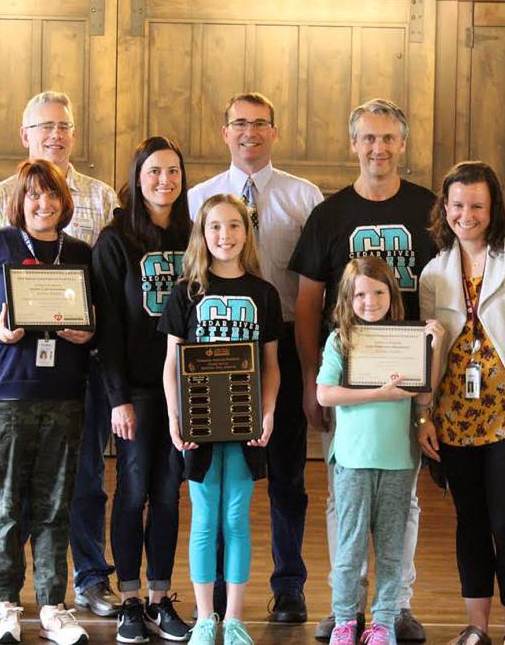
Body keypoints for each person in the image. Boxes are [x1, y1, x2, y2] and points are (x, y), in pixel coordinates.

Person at [289, 98, 435, 641]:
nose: (378, 148)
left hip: (410, 385)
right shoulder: (329, 215)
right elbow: (308, 302)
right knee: (345, 505)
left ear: (403, 144)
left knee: (404, 508)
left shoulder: (429, 208)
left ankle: (394, 609)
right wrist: (311, 379)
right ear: (354, 144)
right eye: (368, 138)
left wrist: (427, 394)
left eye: (388, 138)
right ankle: (344, 609)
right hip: (348, 386)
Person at [0, 91, 120, 620]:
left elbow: (111, 289)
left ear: (74, 133)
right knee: (8, 489)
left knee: (81, 481)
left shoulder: (104, 200)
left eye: (63, 125)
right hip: (12, 373)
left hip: (78, 372)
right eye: (44, 126)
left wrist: (94, 331)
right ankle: (1, 585)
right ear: (25, 135)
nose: (55, 134)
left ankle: (88, 580)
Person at [188, 92, 323, 622]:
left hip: (283, 342)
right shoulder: (200, 196)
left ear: (275, 130)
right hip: (216, 351)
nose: (250, 132)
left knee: (287, 474)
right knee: (220, 481)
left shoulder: (303, 196)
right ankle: (219, 590)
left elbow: (318, 283)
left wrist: (311, 369)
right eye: (239, 124)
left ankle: (289, 584)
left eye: (260, 124)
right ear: (224, 132)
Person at [0, 159, 95, 645]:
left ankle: (54, 605)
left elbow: (101, 320)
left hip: (64, 396)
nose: (44, 204)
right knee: (7, 504)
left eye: (52, 195)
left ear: (64, 201)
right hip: (3, 395)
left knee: (56, 505)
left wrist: (88, 332)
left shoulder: (80, 253)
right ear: (20, 201)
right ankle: (4, 601)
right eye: (34, 195)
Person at [417, 161, 505, 645]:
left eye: (477, 204)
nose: (466, 214)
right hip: (455, 414)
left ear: (494, 207)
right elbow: (429, 351)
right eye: (457, 205)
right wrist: (425, 413)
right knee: (470, 523)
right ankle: (476, 627)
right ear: (445, 208)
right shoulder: (434, 272)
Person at [160, 194, 282, 645]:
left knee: (238, 518)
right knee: (204, 518)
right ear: (202, 234)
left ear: (246, 233)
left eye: (234, 226)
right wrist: (175, 418)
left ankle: (233, 619)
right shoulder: (186, 292)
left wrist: (268, 411)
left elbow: (271, 364)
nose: (224, 235)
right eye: (215, 227)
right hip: (200, 426)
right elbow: (172, 363)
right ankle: (205, 619)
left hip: (246, 424)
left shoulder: (263, 294)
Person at [91, 137, 192, 643]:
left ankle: (160, 598)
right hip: (135, 391)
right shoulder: (114, 241)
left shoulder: (195, 235)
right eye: (154, 172)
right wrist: (117, 398)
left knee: (170, 496)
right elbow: (106, 327)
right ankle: (129, 599)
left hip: (182, 393)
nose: (164, 181)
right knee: (132, 492)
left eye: (173, 172)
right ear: (137, 177)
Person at [316, 257, 444, 645]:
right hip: (353, 460)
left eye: (378, 292)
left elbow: (424, 393)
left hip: (398, 461)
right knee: (350, 546)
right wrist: (379, 393)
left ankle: (384, 623)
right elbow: (325, 393)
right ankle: (344, 620)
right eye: (360, 294)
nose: (369, 301)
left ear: (392, 295)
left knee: (391, 550)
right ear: (346, 299)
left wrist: (434, 348)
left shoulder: (407, 339)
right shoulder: (341, 339)